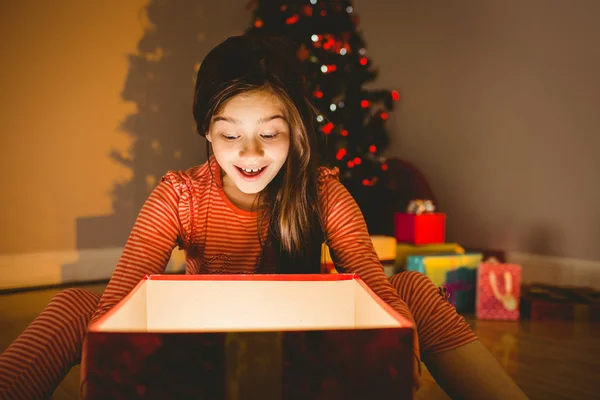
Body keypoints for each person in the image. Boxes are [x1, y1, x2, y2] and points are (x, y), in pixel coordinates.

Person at [0, 35, 527, 400]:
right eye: (229, 134)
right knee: (76, 305)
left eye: (270, 133)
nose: (249, 153)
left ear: (297, 131)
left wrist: (396, 344)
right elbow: (117, 305)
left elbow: (373, 291)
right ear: (206, 131)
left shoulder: (322, 194)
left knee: (408, 289)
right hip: (201, 359)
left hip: (307, 357)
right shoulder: (179, 196)